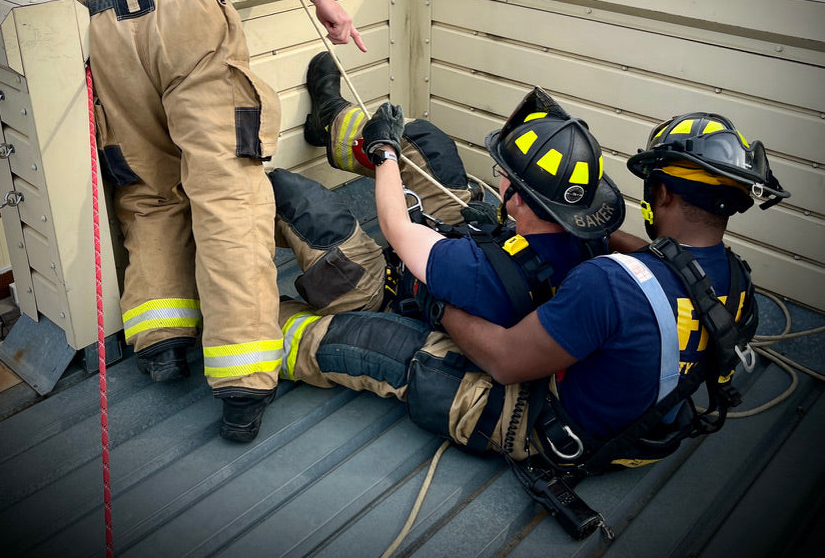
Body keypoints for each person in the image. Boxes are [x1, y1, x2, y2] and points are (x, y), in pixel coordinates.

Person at [36, 0, 365, 443]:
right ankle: (243, 381)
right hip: (187, 11)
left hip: (102, 23)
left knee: (145, 187)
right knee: (228, 187)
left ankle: (160, 340)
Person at [276, 92, 789, 516]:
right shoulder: (734, 282)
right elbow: (656, 261)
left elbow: (503, 360)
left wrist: (436, 303)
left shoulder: (606, 284)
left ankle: (269, 332)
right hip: (647, 433)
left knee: (382, 346)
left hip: (549, 427)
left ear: (664, 194)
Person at [284, 52, 627, 328]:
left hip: (384, 295)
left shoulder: (472, 269)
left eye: (502, 172)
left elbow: (396, 227)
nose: (499, 176)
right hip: (482, 248)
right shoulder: (588, 240)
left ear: (518, 198)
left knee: (299, 201)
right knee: (426, 141)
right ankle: (330, 122)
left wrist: (384, 151)